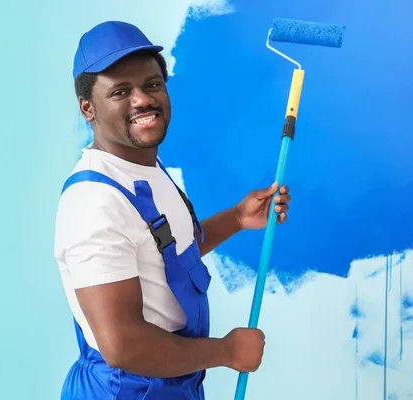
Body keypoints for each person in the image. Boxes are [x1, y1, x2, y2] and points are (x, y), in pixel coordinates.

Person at [53, 20, 292, 400]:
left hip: (171, 381)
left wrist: (236, 218)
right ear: (88, 108)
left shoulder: (144, 165)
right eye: (120, 91)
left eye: (151, 85)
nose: (142, 100)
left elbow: (169, 257)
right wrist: (226, 352)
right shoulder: (94, 204)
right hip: (126, 390)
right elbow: (123, 346)